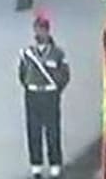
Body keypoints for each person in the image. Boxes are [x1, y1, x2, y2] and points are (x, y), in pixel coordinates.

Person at [18, 12, 69, 178]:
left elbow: (65, 74)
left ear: (48, 31)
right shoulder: (27, 53)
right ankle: (36, 163)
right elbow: (22, 73)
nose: (40, 33)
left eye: (43, 30)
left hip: (50, 94)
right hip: (32, 94)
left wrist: (56, 89)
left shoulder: (58, 53)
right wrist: (28, 86)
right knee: (33, 130)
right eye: (37, 29)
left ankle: (55, 162)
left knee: (52, 130)